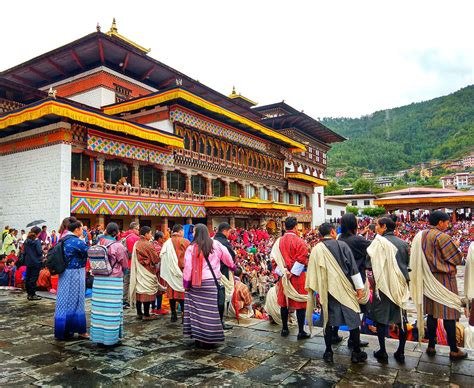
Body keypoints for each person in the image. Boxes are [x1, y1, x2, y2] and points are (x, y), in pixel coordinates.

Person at [306, 222, 367, 364]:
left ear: (321, 235)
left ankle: (328, 351)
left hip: (327, 290)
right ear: (333, 232)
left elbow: (312, 272)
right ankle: (356, 352)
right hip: (345, 288)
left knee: (328, 321)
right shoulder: (342, 246)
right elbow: (353, 269)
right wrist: (359, 288)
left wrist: (316, 290)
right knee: (353, 319)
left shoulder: (317, 249)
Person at [410, 211, 467, 360]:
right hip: (444, 280)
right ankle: (453, 349)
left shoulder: (420, 236)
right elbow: (456, 258)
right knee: (449, 314)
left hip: (428, 279)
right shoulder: (442, 237)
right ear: (440, 222)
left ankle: (431, 345)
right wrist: (457, 246)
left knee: (431, 314)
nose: (448, 225)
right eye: (447, 222)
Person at [183, 224, 236, 347]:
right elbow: (227, 256)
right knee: (210, 312)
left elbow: (188, 267)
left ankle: (199, 338)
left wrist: (186, 283)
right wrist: (232, 266)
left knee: (196, 312)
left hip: (196, 284)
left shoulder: (191, 248)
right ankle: (210, 338)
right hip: (211, 282)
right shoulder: (215, 244)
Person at [367, 215, 410, 363]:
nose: (375, 228)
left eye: (377, 225)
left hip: (383, 286)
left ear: (384, 227)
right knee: (401, 319)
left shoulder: (377, 243)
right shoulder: (403, 244)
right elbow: (406, 265)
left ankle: (383, 351)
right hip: (399, 285)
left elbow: (368, 263)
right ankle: (401, 351)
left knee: (381, 320)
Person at [271, 217, 309, 340]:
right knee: (300, 304)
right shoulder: (300, 241)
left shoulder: (278, 242)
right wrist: (292, 273)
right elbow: (302, 257)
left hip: (284, 277)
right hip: (297, 278)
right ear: (295, 227)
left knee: (284, 303)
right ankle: (301, 331)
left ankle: (285, 328)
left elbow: (274, 260)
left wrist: (284, 272)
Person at [90, 222, 129, 347]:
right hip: (113, 281)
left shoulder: (98, 243)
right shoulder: (118, 246)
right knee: (111, 310)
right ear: (117, 233)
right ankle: (110, 339)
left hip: (98, 280)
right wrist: (125, 271)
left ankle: (98, 338)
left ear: (106, 230)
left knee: (99, 309)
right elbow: (124, 263)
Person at [54, 219, 89, 340]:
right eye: (82, 229)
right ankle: (80, 330)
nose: (83, 231)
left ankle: (63, 331)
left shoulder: (63, 239)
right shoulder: (76, 241)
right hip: (75, 273)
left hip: (64, 273)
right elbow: (88, 251)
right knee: (77, 301)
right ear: (77, 229)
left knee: (63, 301)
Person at [160, 224, 190, 322]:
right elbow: (189, 257)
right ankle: (183, 316)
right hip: (182, 271)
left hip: (170, 272)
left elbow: (162, 257)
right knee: (182, 294)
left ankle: (173, 314)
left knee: (172, 294)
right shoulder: (185, 242)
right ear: (181, 232)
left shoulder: (167, 243)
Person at [129, 226, 160, 321]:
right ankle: (146, 314)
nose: (151, 235)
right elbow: (155, 259)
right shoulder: (148, 244)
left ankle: (139, 313)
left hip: (138, 271)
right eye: (150, 233)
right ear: (146, 234)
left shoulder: (137, 243)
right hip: (147, 270)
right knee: (147, 292)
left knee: (139, 291)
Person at [213, 222, 236, 330]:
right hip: (222, 271)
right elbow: (231, 258)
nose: (229, 235)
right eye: (229, 232)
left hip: (211, 272)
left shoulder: (211, 240)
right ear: (225, 231)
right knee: (222, 297)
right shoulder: (224, 243)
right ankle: (220, 321)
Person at [120, 222, 140, 309]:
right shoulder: (135, 238)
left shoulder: (124, 236)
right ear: (134, 229)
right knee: (133, 282)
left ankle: (124, 301)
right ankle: (133, 300)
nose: (139, 231)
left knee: (125, 282)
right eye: (138, 229)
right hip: (131, 263)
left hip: (124, 263)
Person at [24, 226, 44, 301]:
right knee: (33, 278)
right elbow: (39, 252)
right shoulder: (37, 241)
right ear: (38, 233)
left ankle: (29, 294)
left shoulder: (26, 240)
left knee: (28, 277)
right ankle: (32, 294)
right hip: (36, 262)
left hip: (28, 261)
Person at [151, 231, 168, 315]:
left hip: (151, 271)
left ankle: (153, 308)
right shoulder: (158, 248)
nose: (164, 240)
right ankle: (159, 308)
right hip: (158, 272)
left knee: (154, 290)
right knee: (159, 290)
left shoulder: (151, 245)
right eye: (163, 238)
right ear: (159, 238)